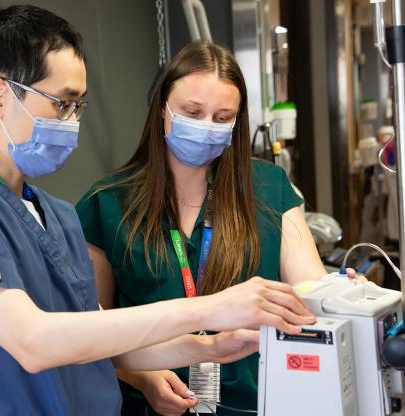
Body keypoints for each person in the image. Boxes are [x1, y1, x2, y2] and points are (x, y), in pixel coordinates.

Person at [0, 6, 316, 416]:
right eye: (61, 104)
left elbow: (97, 340)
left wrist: (208, 346)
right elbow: (32, 341)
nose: (71, 122)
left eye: (78, 107)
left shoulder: (59, 216)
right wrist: (209, 308)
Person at [76, 42, 358, 416]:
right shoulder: (108, 203)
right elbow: (88, 333)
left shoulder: (269, 188)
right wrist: (141, 376)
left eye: (223, 118)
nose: (207, 127)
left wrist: (341, 295)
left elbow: (309, 290)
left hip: (259, 403)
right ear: (162, 108)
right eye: (192, 112)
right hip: (152, 406)